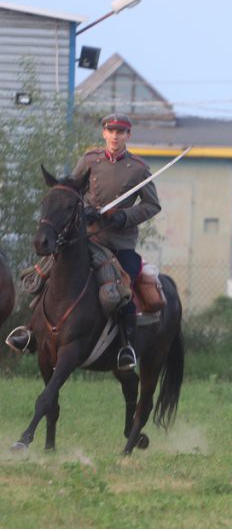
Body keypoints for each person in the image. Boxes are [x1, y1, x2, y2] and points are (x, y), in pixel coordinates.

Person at [6, 114, 161, 368]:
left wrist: (121, 216)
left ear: (128, 136)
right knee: (46, 277)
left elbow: (152, 205)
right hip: (84, 238)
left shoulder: (139, 168)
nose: (114, 136)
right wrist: (83, 208)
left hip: (118, 243)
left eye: (120, 132)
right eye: (110, 131)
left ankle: (126, 348)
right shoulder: (90, 159)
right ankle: (30, 331)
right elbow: (71, 188)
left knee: (124, 287)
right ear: (103, 133)